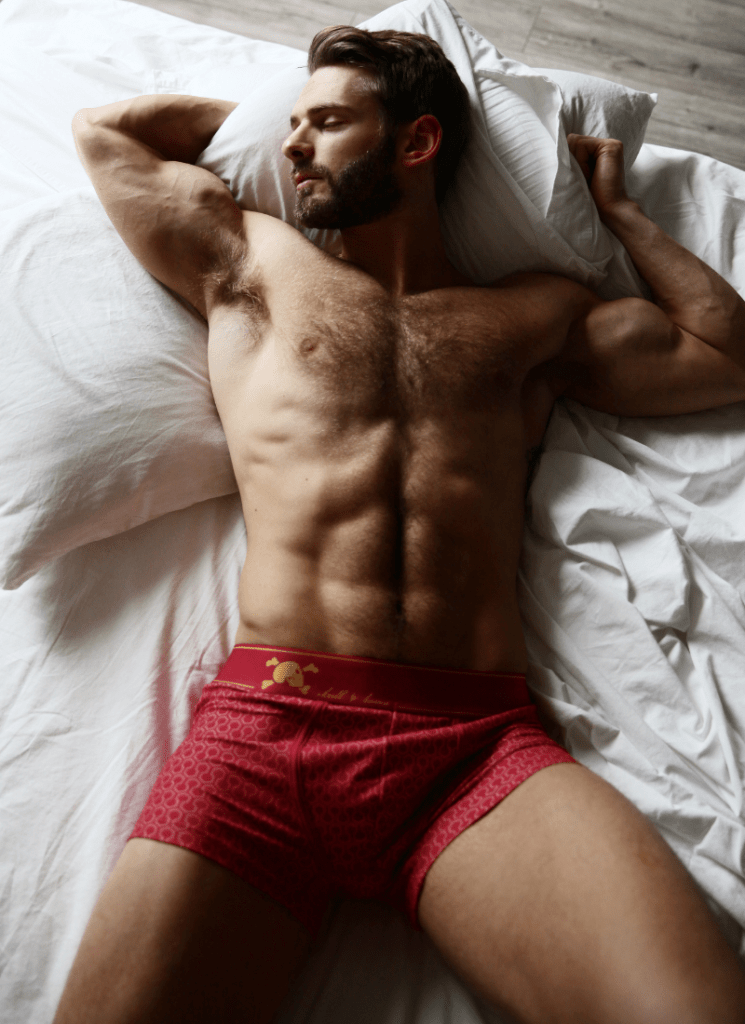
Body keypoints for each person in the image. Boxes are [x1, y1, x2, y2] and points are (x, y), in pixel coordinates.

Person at [57, 24, 745, 1024]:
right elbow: (105, 135)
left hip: (473, 752)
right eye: (291, 127)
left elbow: (721, 353)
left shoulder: (530, 316)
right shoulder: (255, 262)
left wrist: (621, 212)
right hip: (265, 737)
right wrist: (273, 119)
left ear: (418, 142)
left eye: (327, 122)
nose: (294, 148)